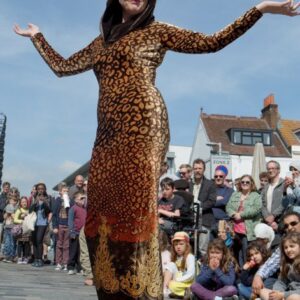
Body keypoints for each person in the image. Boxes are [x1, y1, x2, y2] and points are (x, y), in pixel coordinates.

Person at [13, 0, 300, 298]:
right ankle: (112, 289)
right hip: (107, 134)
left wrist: (260, 9)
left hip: (144, 123)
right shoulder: (102, 42)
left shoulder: (157, 31)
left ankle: (144, 290)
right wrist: (38, 37)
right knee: (102, 213)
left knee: (136, 212)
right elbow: (63, 66)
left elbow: (212, 42)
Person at [252, 211, 300, 297]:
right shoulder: (286, 244)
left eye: (293, 223)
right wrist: (258, 276)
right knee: (262, 290)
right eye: (286, 226)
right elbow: (271, 265)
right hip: (288, 288)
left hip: (294, 294)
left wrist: (282, 294)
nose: (290, 227)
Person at [226, 174, 262, 266]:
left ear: (251, 184)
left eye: (247, 182)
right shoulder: (235, 194)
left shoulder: (256, 196)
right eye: (243, 182)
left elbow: (256, 209)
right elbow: (228, 207)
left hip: (248, 230)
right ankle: (237, 273)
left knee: (246, 253)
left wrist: (241, 215)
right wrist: (234, 214)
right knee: (234, 253)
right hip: (234, 229)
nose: (245, 184)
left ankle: (246, 273)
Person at [260, 232, 300, 300]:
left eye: (292, 246)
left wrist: (283, 295)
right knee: (263, 291)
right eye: (286, 248)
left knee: (293, 297)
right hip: (287, 293)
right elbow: (281, 282)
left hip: (296, 295)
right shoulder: (287, 264)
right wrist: (276, 292)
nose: (288, 250)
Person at [190, 158, 216, 257]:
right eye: (195, 168)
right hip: (190, 219)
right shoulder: (189, 183)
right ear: (193, 169)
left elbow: (212, 201)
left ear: (204, 169)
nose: (197, 170)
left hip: (204, 218)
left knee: (203, 248)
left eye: (200, 168)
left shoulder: (210, 184)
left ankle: (203, 270)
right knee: (190, 246)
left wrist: (199, 207)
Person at [163, 231, 195, 298]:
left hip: (189, 283)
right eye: (176, 244)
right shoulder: (176, 257)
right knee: (171, 265)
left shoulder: (190, 256)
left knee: (172, 285)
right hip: (179, 283)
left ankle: (186, 293)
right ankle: (168, 290)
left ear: (187, 245)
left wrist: (176, 280)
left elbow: (191, 275)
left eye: (181, 244)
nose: (178, 247)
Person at [30, 190, 52, 267]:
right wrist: (35, 203)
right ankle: (36, 259)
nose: (40, 196)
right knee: (34, 241)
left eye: (42, 195)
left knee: (39, 240)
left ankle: (40, 259)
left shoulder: (45, 204)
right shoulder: (34, 204)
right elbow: (30, 211)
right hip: (34, 224)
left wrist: (43, 202)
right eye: (39, 195)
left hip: (42, 224)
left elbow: (48, 210)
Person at [261, 160, 285, 231]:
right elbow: (262, 203)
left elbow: (285, 202)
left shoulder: (284, 184)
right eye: (268, 169)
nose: (270, 170)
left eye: (273, 168)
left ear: (278, 170)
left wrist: (273, 215)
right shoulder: (266, 186)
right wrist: (267, 216)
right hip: (267, 222)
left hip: (280, 222)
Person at [67, 192, 87, 275]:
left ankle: (80, 267)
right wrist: (72, 232)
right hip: (75, 233)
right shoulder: (73, 208)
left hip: (83, 233)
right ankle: (71, 267)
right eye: (81, 198)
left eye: (84, 198)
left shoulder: (85, 209)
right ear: (75, 200)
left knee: (81, 252)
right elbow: (70, 221)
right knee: (73, 251)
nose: (83, 200)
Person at [52, 183, 71, 271]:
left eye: (67, 191)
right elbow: (54, 215)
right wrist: (55, 226)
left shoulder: (71, 201)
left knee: (66, 245)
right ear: (60, 192)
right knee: (59, 244)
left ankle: (65, 262)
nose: (66, 192)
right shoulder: (58, 201)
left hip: (68, 225)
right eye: (64, 191)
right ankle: (59, 262)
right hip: (60, 224)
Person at [13, 196, 31, 264]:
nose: (24, 203)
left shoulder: (29, 210)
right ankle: (20, 257)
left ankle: (26, 257)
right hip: (20, 229)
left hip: (27, 229)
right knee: (20, 243)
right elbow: (15, 220)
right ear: (20, 203)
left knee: (27, 243)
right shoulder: (19, 210)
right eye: (23, 202)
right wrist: (22, 221)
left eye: (25, 202)